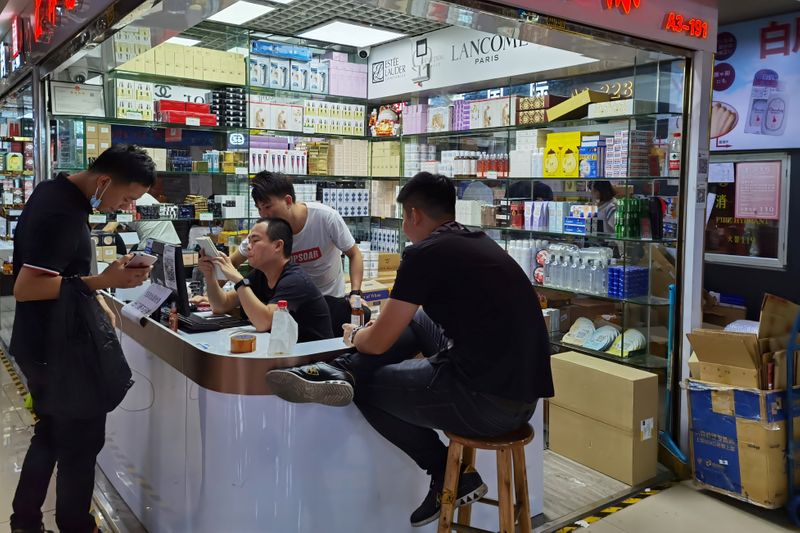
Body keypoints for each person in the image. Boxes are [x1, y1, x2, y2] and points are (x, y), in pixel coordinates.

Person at [266, 172, 554, 527]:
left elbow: (380, 341)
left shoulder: (425, 253)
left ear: (414, 215)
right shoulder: (475, 240)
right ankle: (341, 369)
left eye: (404, 218)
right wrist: (375, 330)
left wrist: (357, 336)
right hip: (523, 399)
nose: (404, 227)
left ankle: (442, 468)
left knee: (364, 387)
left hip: (486, 401)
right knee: (415, 320)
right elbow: (400, 323)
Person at [10, 145, 156, 533]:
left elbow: (59, 274)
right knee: (79, 445)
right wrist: (103, 282)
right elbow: (26, 288)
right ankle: (76, 525)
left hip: (43, 342)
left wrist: (91, 293)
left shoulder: (53, 191)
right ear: (104, 180)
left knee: (52, 435)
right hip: (59, 352)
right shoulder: (62, 212)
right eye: (126, 198)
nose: (125, 207)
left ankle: (24, 521)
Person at [229, 172, 363, 303]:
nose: (263, 214)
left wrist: (355, 293)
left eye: (268, 207)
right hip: (290, 303)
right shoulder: (268, 229)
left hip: (330, 299)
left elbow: (354, 254)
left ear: (288, 201)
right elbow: (232, 262)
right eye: (259, 209)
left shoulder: (326, 217)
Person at [200, 217, 333, 342]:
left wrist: (238, 279)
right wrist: (210, 275)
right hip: (281, 352)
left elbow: (263, 323)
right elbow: (221, 306)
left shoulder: (295, 280)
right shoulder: (260, 274)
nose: (248, 247)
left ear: (278, 246)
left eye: (255, 241)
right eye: (248, 241)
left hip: (313, 358)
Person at [103, 192, 182, 247]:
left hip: (156, 247)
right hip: (172, 243)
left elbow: (108, 230)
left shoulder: (126, 201)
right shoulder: (140, 195)